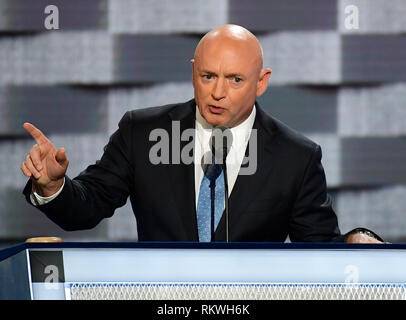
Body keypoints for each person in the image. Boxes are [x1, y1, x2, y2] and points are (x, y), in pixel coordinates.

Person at [20, 24, 383, 243]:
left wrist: (354, 242)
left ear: (261, 82)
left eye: (235, 80)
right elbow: (86, 208)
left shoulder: (296, 156)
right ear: (194, 71)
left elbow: (317, 252)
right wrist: (52, 186)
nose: (218, 92)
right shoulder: (143, 133)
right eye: (208, 76)